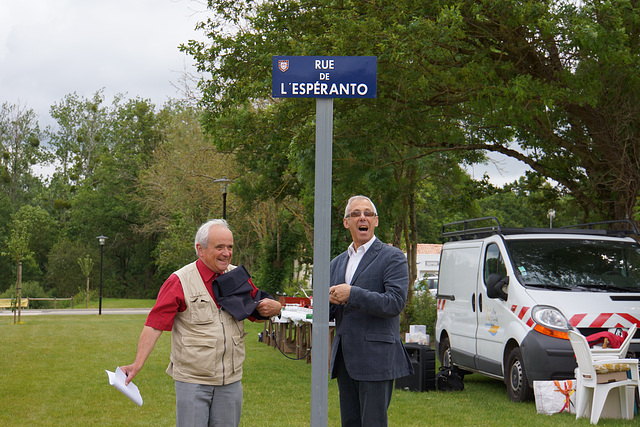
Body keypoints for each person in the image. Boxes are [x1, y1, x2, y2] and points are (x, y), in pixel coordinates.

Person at [120, 219, 282, 427]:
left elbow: (257, 308)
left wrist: (276, 308)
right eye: (220, 247)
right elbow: (155, 324)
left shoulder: (238, 277)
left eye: (230, 247)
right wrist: (137, 364)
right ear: (200, 249)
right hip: (192, 381)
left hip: (230, 381)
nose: (226, 253)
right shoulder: (179, 281)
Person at [329, 195, 412, 427]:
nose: (362, 217)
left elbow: (395, 303)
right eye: (355, 214)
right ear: (347, 223)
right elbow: (330, 312)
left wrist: (352, 294)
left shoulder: (392, 257)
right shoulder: (336, 263)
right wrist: (328, 301)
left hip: (376, 360)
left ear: (376, 221)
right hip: (345, 360)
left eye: (367, 213)